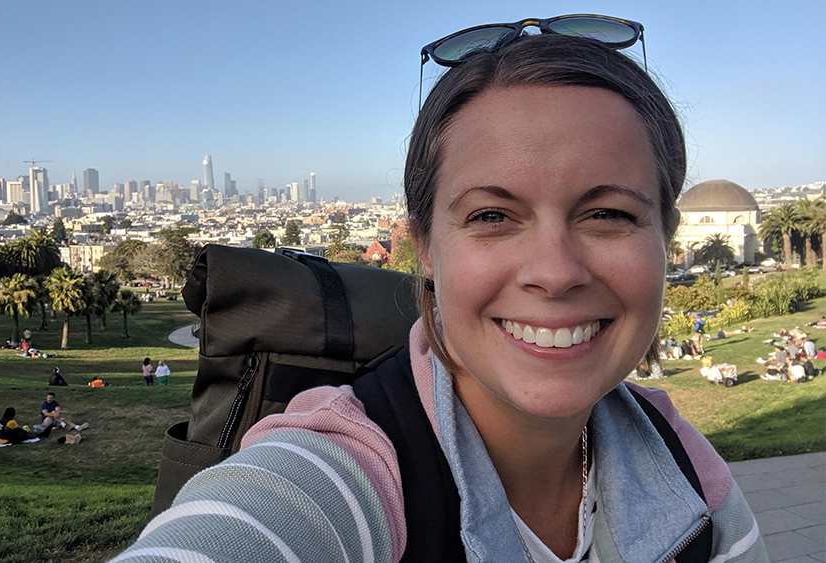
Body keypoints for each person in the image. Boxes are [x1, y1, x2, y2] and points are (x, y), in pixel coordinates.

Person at [113, 21, 767, 563]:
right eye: (491, 215)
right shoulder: (347, 472)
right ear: (424, 245)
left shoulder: (686, 468)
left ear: (664, 236)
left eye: (609, 214)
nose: (556, 269)